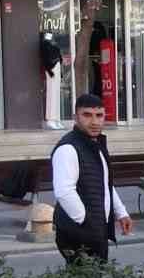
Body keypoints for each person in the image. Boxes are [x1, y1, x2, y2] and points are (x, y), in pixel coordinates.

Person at [52, 93, 133, 263]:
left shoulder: (95, 144)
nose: (94, 122)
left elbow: (105, 183)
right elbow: (64, 192)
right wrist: (87, 222)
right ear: (75, 117)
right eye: (87, 115)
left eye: (99, 115)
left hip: (95, 229)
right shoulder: (68, 148)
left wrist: (121, 212)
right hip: (78, 231)